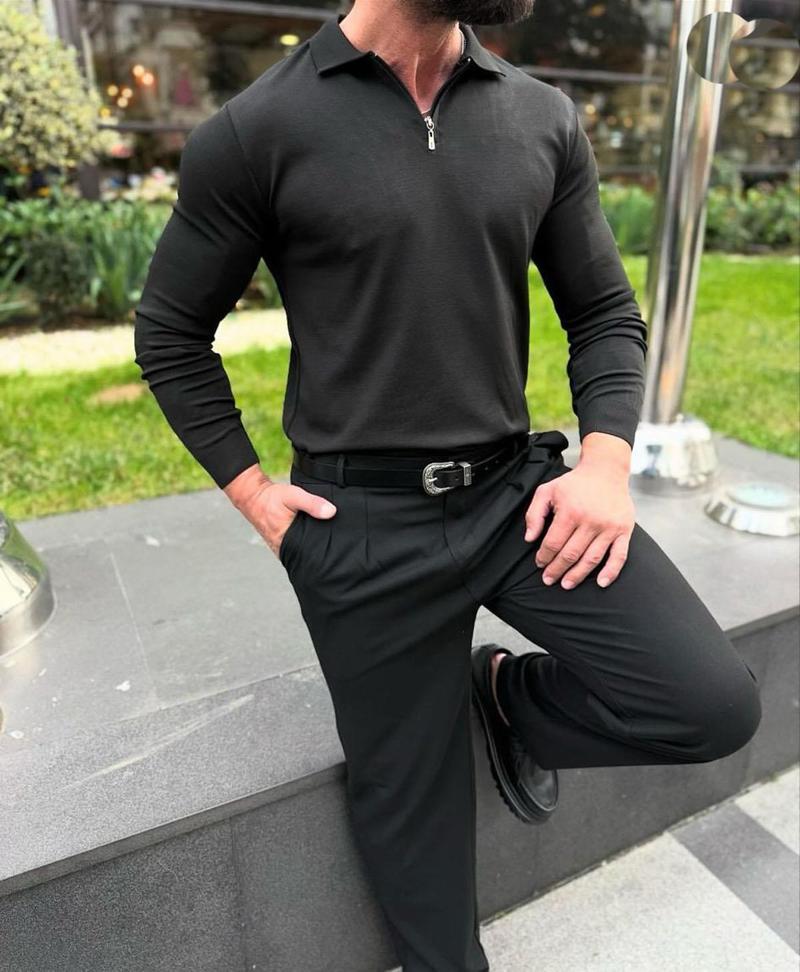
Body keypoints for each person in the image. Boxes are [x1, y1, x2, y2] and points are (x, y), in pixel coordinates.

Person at [133, 2, 763, 968]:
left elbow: (603, 311)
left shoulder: (541, 116)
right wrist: (255, 493)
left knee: (710, 705)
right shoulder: (259, 129)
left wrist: (603, 462)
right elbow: (171, 333)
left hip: (519, 499)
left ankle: (505, 698)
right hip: (362, 529)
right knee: (427, 896)